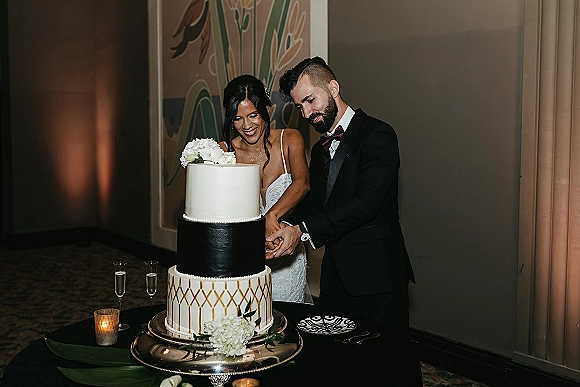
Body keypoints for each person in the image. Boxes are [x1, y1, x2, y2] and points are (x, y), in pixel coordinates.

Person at [267, 57, 416, 333]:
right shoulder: (322, 146)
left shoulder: (378, 135)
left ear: (333, 87)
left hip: (378, 279)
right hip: (335, 279)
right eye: (300, 106)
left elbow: (366, 204)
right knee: (340, 366)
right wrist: (286, 226)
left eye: (311, 100)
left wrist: (302, 231)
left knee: (383, 363)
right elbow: (316, 202)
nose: (307, 113)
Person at [221, 74, 312, 303]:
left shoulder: (290, 139)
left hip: (286, 257)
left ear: (268, 110)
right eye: (238, 118)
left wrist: (272, 215)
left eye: (253, 115)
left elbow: (302, 183)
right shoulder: (224, 153)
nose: (247, 126)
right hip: (243, 258)